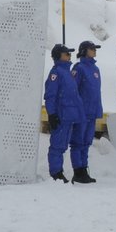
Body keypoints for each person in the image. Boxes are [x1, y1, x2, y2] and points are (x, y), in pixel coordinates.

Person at [43, 44, 87, 182]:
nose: (69, 56)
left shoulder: (67, 72)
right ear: (59, 56)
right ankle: (56, 173)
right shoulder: (56, 73)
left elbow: (74, 96)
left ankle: (60, 172)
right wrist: (52, 114)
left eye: (69, 54)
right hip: (61, 114)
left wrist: (80, 113)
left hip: (70, 115)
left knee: (63, 145)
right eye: (66, 54)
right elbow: (50, 95)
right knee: (57, 145)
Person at [72, 41, 103, 183]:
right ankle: (78, 171)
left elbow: (96, 93)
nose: (94, 51)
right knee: (78, 142)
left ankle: (84, 169)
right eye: (92, 49)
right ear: (84, 51)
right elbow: (73, 90)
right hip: (82, 112)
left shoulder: (95, 69)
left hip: (92, 112)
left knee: (86, 142)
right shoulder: (79, 68)